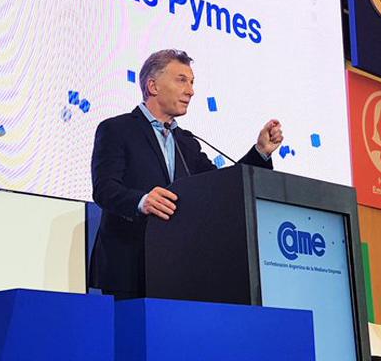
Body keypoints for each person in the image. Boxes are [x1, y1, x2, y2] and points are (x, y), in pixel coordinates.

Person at [89, 49, 284, 299]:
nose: (190, 91)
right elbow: (104, 188)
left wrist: (260, 152)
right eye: (181, 80)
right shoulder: (117, 129)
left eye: (192, 82)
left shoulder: (187, 142)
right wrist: (142, 201)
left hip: (178, 269)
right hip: (129, 267)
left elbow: (222, 186)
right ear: (153, 86)